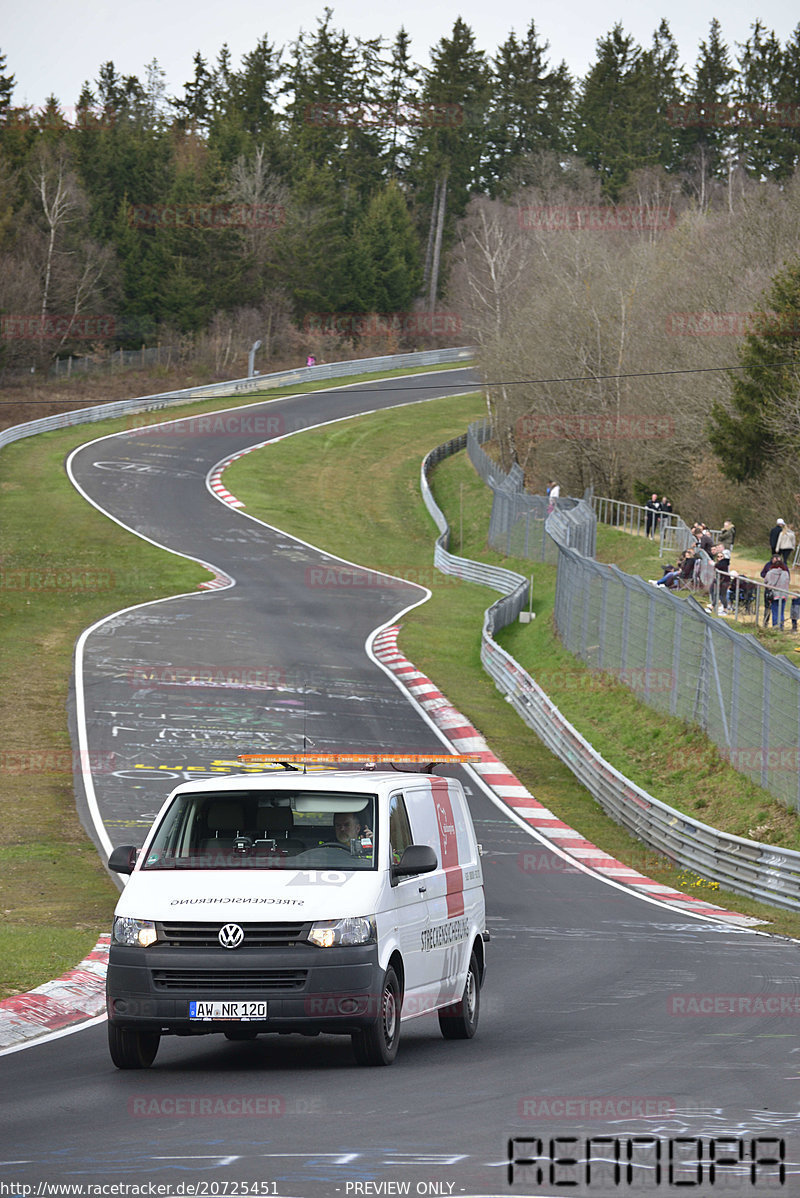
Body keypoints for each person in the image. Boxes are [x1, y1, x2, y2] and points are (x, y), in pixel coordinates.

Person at [761, 554, 790, 628]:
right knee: (781, 612)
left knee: (775, 612)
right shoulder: (786, 573)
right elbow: (788, 582)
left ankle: (775, 626)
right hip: (783, 594)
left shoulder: (770, 573)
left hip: (774, 594)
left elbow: (766, 581)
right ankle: (781, 626)